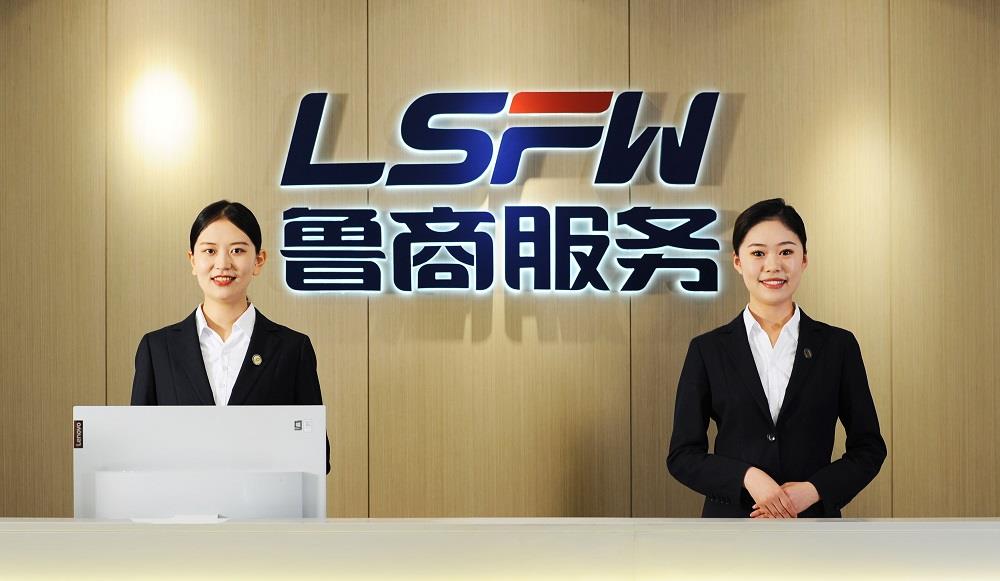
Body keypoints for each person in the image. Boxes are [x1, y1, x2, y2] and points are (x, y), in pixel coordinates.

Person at [667, 198, 885, 518]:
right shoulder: (708, 349)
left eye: (786, 252)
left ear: (804, 259)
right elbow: (683, 455)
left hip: (812, 527)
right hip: (730, 528)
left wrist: (814, 490)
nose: (773, 265)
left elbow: (869, 448)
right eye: (758, 253)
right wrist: (747, 477)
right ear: (738, 261)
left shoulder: (838, 346)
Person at [131, 200, 330, 474]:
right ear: (193, 260)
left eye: (237, 250)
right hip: (182, 500)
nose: (223, 264)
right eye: (210, 251)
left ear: (259, 261)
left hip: (265, 500)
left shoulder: (292, 349)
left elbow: (316, 453)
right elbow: (138, 448)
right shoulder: (157, 349)